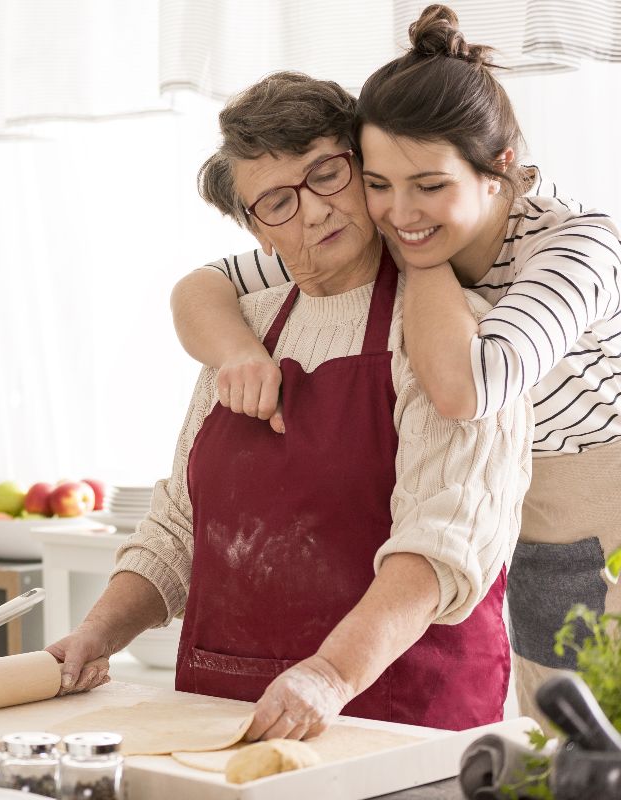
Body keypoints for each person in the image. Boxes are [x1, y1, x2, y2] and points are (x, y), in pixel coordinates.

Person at [46, 70, 532, 741]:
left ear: (365, 169)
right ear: (257, 232)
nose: (312, 210)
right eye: (276, 201)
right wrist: (95, 634)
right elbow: (180, 529)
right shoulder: (243, 331)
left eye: (326, 174)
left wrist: (328, 674)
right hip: (223, 722)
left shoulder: (450, 337)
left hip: (396, 721)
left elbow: (441, 549)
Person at [168, 5, 621, 724]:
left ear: (500, 168)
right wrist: (239, 352)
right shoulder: (370, 225)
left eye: (428, 186)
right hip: (515, 499)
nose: (400, 208)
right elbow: (202, 286)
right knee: (561, 744)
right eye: (378, 183)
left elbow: (465, 387)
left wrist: (415, 252)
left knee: (603, 732)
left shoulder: (576, 248)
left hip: (601, 494)